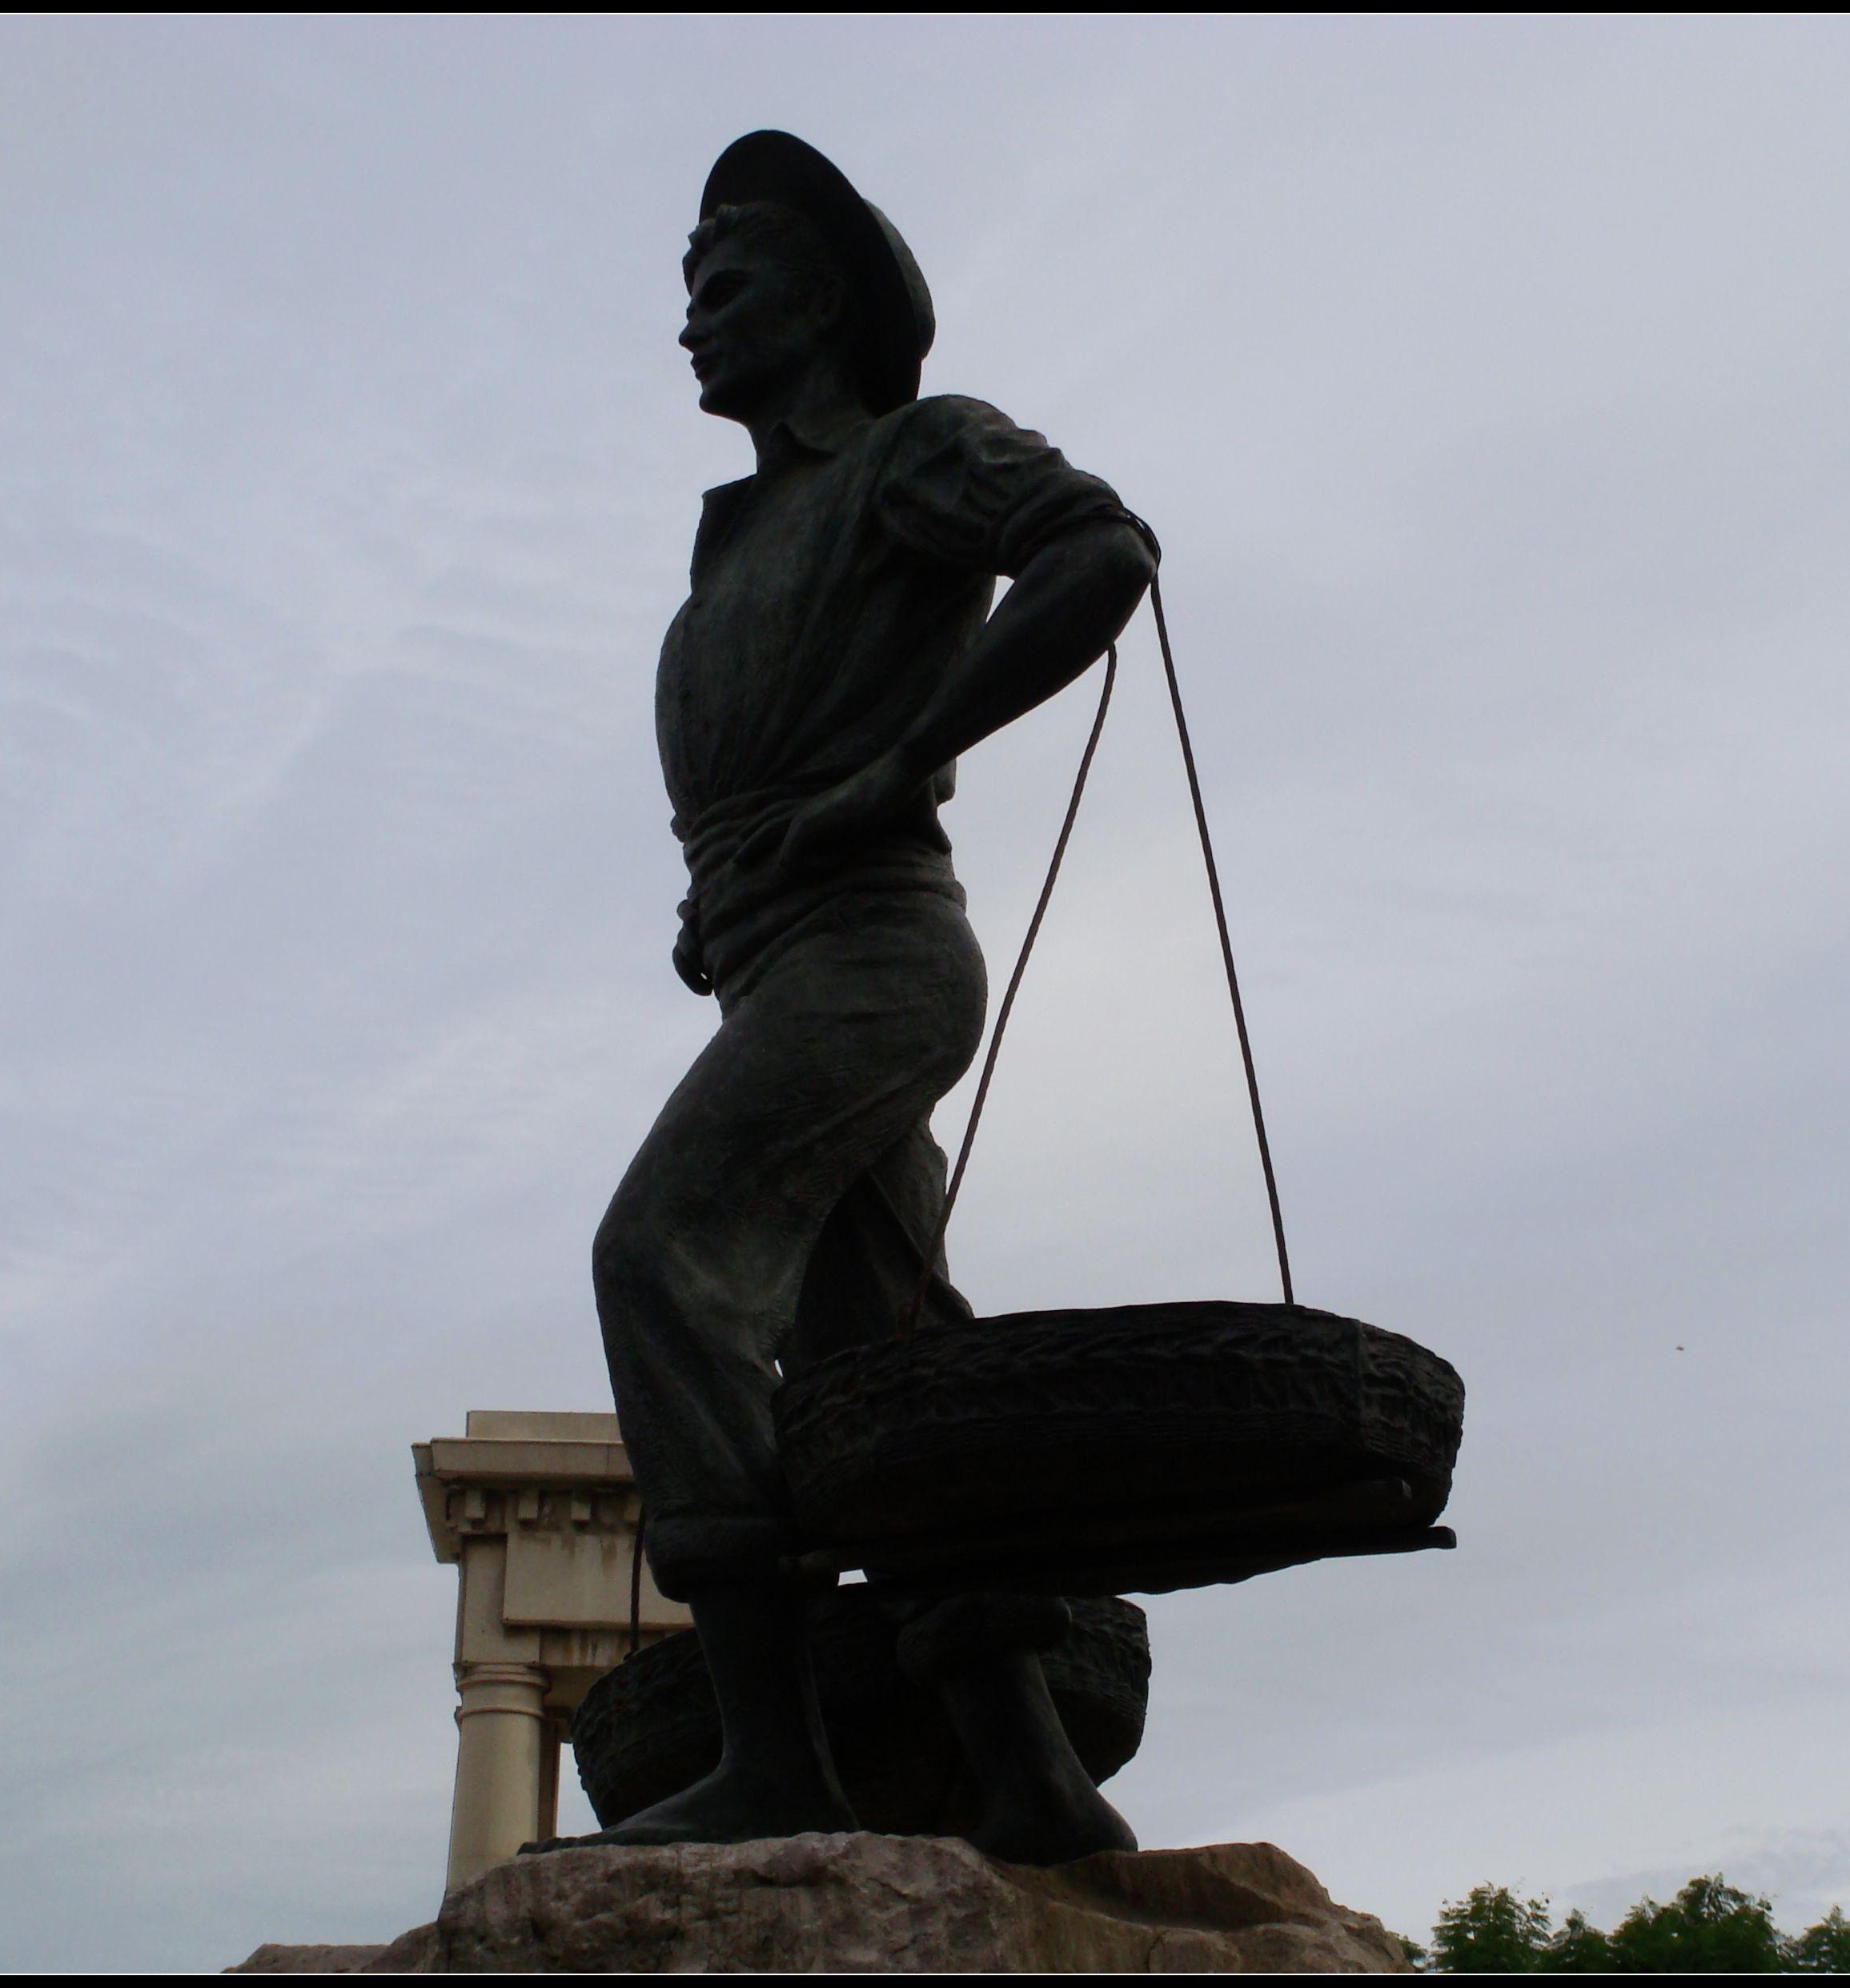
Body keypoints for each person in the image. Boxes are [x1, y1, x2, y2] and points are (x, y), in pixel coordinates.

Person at [579, 131, 1156, 1861]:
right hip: (777, 967)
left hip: (876, 957)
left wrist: (913, 754)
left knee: (662, 1259)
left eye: (726, 283)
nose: (694, 319)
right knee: (878, 1361)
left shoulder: (914, 452)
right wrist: (725, 894)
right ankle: (1040, 1785)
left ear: (822, 302)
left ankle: (775, 1756)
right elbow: (759, 762)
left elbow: (1097, 549)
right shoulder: (737, 547)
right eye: (686, 287)